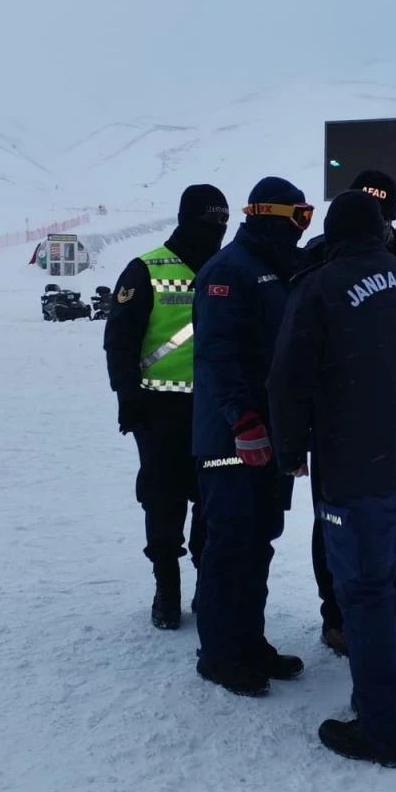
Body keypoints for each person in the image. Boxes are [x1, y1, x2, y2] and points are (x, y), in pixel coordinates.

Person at [269, 190, 396, 766]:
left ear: (331, 236)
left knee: (366, 593)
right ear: (382, 232)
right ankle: (392, 703)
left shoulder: (320, 287)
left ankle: (381, 731)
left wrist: (290, 450)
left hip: (359, 469)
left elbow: (288, 379)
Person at [298, 169, 396, 658]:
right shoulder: (318, 256)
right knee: (333, 525)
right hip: (337, 422)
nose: (382, 222)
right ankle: (337, 616)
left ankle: (386, 619)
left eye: (386, 212)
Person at [191, 176, 314, 697]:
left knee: (259, 541)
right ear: (267, 215)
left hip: (272, 436)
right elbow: (218, 353)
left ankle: (250, 641)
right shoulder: (228, 271)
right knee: (230, 543)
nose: (302, 227)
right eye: (297, 216)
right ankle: (220, 653)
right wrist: (243, 422)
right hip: (231, 439)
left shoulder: (279, 268)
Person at [103, 184, 229, 629]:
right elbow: (119, 340)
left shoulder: (226, 267)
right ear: (187, 219)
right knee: (163, 501)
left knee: (212, 502)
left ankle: (203, 587)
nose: (218, 229)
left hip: (215, 409)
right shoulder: (146, 269)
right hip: (159, 411)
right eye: (211, 221)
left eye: (223, 222)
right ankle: (167, 587)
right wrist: (128, 397)